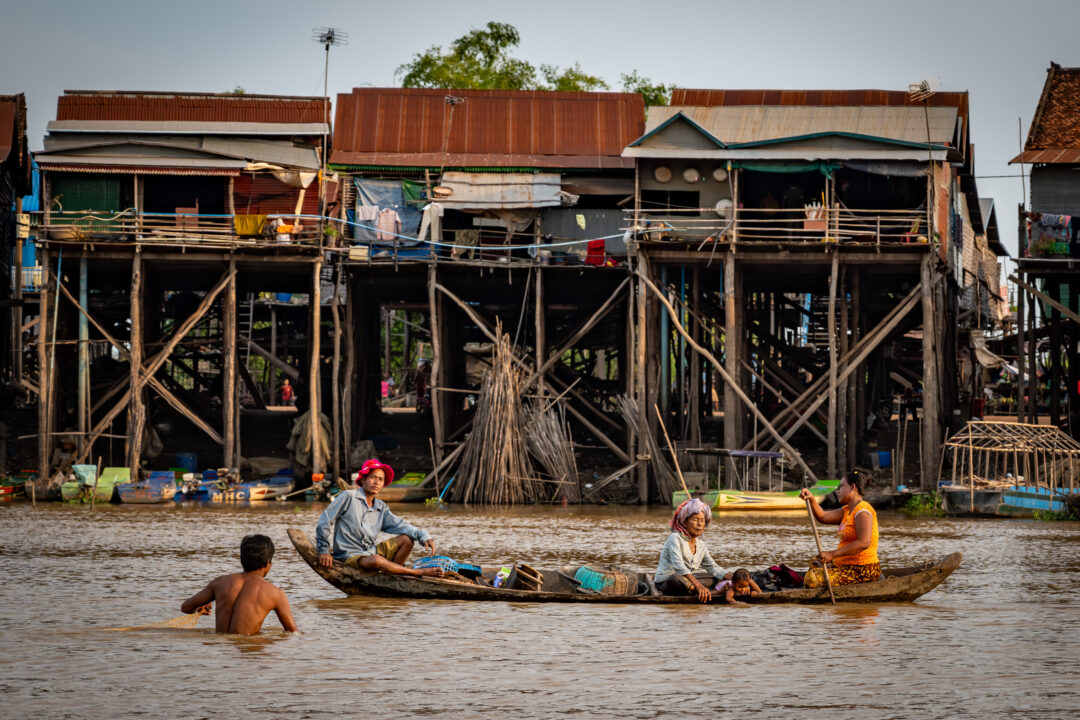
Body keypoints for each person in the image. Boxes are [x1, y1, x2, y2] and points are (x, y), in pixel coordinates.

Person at [315, 459, 444, 578]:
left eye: (381, 479)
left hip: (370, 552)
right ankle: (416, 572)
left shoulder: (381, 507)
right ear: (363, 479)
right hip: (349, 556)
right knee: (376, 560)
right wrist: (323, 550)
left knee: (407, 539)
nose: (377, 482)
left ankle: (391, 574)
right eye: (373, 478)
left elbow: (401, 525)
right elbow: (325, 521)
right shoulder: (349, 496)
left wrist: (425, 536)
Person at [180, 534, 298, 636]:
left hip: (221, 651)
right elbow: (292, 632)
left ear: (241, 559)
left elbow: (185, 607)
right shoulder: (275, 593)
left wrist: (198, 609)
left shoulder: (220, 582)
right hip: (249, 655)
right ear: (268, 562)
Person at [799, 468, 880, 587]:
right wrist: (811, 499)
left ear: (852, 487)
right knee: (815, 563)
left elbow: (864, 543)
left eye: (841, 487)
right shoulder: (847, 510)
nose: (838, 491)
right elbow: (823, 516)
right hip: (845, 565)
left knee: (812, 578)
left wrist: (832, 554)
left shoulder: (863, 510)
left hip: (862, 570)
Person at [654, 498, 727, 603]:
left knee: (716, 579)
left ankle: (701, 590)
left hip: (688, 582)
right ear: (684, 523)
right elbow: (679, 566)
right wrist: (697, 585)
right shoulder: (675, 538)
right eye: (696, 519)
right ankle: (710, 593)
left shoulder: (701, 544)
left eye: (702, 520)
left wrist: (731, 576)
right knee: (675, 578)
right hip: (668, 582)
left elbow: (712, 567)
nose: (700, 524)